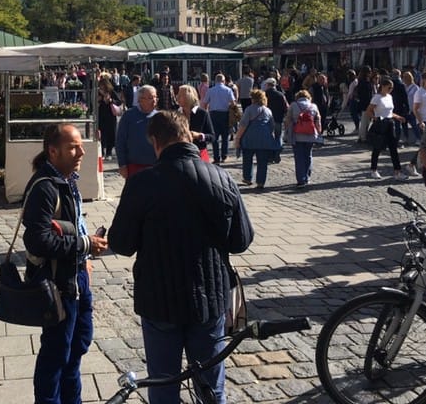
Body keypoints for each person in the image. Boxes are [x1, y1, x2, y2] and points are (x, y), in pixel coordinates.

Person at [108, 111, 254, 404]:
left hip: (159, 298)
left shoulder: (142, 183)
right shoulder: (221, 178)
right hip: (209, 298)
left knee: (163, 386)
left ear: (155, 141)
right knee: (211, 389)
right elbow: (241, 240)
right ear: (188, 134)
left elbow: (121, 243)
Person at [21, 124, 108, 404]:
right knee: (57, 353)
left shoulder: (68, 181)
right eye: (73, 147)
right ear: (53, 151)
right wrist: (84, 245)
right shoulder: (44, 187)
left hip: (77, 277)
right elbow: (37, 240)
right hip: (57, 283)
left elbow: (71, 227)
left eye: (81, 145)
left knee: (78, 344)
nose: (81, 151)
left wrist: (85, 256)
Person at [234, 89, 277, 189]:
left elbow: (243, 125)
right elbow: (272, 126)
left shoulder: (249, 109)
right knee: (262, 161)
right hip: (264, 139)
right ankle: (261, 182)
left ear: (253, 98)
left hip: (250, 138)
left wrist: (238, 138)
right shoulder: (267, 110)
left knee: (247, 158)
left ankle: (247, 178)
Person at [366, 77, 407, 180]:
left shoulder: (389, 97)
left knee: (393, 148)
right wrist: (375, 118)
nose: (390, 90)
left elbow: (389, 112)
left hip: (390, 123)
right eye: (389, 88)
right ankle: (373, 169)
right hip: (380, 123)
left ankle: (397, 171)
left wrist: (398, 117)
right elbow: (369, 110)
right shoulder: (377, 97)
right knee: (378, 147)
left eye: (392, 88)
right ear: (383, 87)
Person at [115, 85, 158, 179]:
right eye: (151, 97)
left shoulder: (159, 117)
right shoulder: (129, 116)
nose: (154, 100)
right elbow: (120, 141)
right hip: (134, 167)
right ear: (140, 99)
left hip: (155, 167)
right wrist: (122, 165)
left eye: (155, 97)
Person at [283, 89, 322, 188]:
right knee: (308, 155)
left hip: (297, 135)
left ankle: (301, 179)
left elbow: (288, 120)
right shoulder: (313, 106)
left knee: (298, 157)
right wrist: (319, 132)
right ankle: (307, 176)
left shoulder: (293, 105)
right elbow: (318, 121)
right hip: (310, 134)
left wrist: (286, 132)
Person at [201, 74, 237, 163]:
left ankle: (216, 157)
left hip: (213, 114)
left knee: (215, 137)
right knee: (225, 136)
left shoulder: (211, 90)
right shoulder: (228, 90)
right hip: (225, 114)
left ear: (215, 81)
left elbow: (204, 103)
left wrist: (205, 113)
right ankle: (224, 155)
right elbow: (233, 103)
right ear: (224, 81)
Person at [177, 84, 214, 161]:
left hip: (199, 153)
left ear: (189, 97)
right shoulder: (176, 114)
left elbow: (212, 137)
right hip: (180, 154)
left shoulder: (202, 113)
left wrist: (199, 136)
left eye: (181, 95)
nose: (177, 97)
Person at [263, 78, 288, 162]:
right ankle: (277, 153)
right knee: (278, 137)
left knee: (269, 137)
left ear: (267, 85)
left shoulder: (264, 95)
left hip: (266, 120)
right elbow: (286, 108)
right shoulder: (281, 95)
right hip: (278, 119)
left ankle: (270, 155)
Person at [96, 76, 122, 160]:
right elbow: (93, 103)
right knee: (101, 134)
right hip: (101, 115)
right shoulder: (98, 92)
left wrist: (110, 100)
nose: (101, 87)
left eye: (102, 85)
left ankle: (109, 152)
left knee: (111, 134)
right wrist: (98, 100)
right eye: (100, 85)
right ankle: (102, 152)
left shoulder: (111, 92)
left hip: (111, 115)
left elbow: (119, 102)